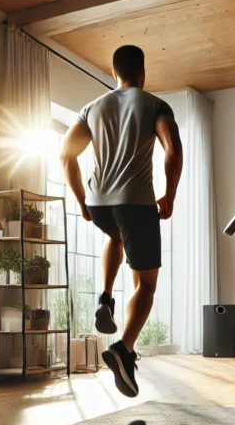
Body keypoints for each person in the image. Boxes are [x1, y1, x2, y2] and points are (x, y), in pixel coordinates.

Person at [59, 45, 183, 398]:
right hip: (136, 204)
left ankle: (105, 297)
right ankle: (124, 349)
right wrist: (170, 195)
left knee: (115, 237)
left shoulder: (91, 108)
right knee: (147, 285)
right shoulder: (154, 105)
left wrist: (82, 199)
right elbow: (172, 151)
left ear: (114, 75)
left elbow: (66, 155)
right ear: (143, 73)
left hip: (101, 205)